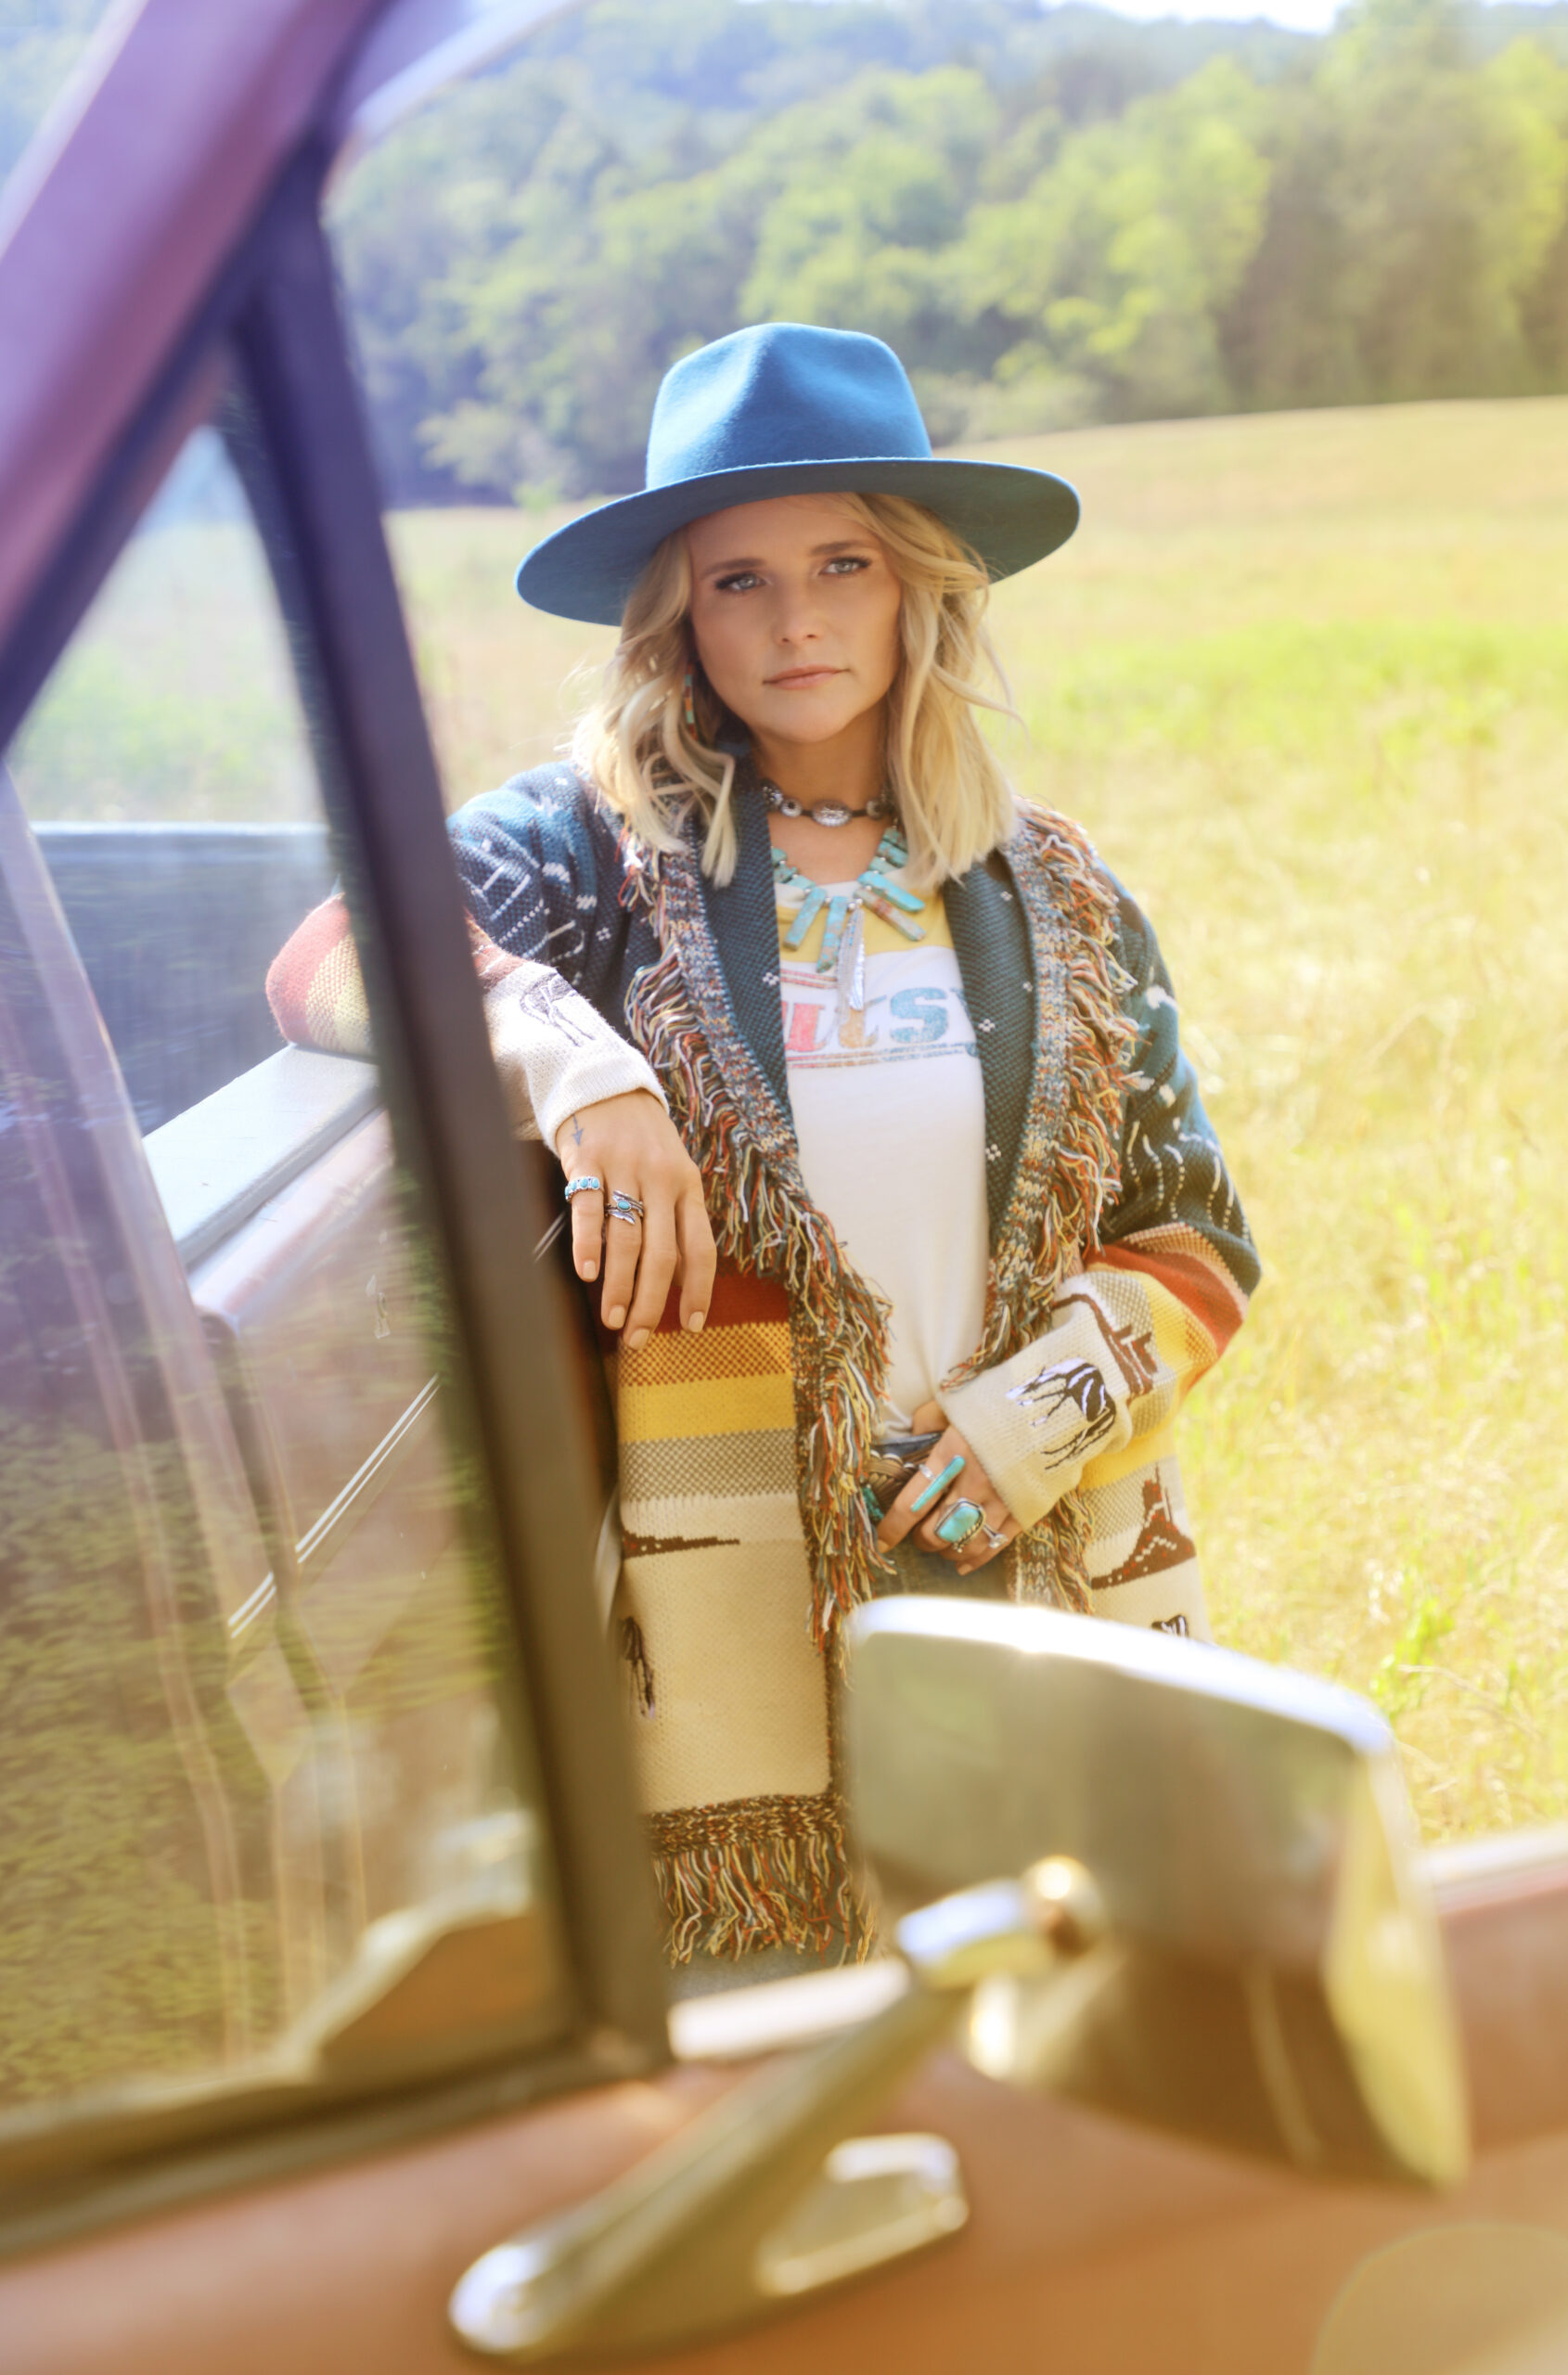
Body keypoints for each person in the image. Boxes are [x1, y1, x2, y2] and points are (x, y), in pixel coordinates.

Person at [269, 323, 1258, 1974]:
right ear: (680, 613)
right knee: (765, 2033)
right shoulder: (592, 851)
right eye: (739, 580)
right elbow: (332, 951)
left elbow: (1193, 1241)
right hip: (729, 1608)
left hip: (1030, 1554)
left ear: (916, 585)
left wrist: (1030, 1421)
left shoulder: (1060, 891)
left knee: (1043, 2021)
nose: (796, 619)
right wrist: (574, 1061)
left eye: (840, 564)